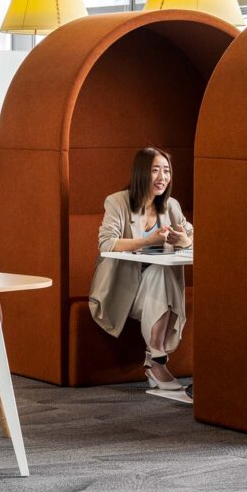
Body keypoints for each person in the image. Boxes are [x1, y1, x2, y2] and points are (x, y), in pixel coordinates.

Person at [89, 147, 193, 390]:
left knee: (159, 271)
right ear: (140, 173)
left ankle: (155, 355)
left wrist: (184, 241)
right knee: (160, 272)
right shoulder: (117, 202)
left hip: (158, 288)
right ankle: (156, 362)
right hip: (123, 290)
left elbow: (191, 238)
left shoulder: (171, 207)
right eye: (155, 170)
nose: (162, 177)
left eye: (166, 171)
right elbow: (106, 243)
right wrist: (149, 240)